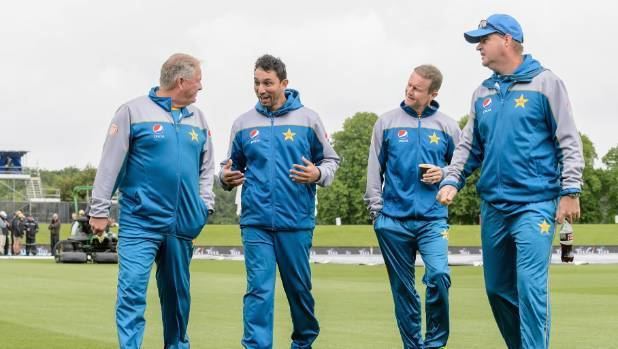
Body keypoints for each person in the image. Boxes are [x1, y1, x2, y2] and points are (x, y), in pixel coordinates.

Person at [436, 14, 584, 349]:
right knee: (497, 290)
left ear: (506, 40)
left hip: (535, 203)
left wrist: (570, 189)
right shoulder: (481, 93)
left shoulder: (546, 83)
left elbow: (568, 139)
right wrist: (452, 179)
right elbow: (469, 147)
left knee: (530, 287)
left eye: (483, 40)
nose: (479, 48)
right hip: (494, 207)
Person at [89, 53, 215, 349]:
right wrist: (99, 210)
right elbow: (110, 164)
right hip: (140, 222)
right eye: (198, 80)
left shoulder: (198, 117)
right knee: (132, 290)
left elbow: (206, 167)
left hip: (181, 224)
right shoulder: (132, 111)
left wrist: (204, 205)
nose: (201, 87)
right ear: (181, 81)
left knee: (177, 297)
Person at [220, 54, 340, 349]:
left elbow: (331, 161)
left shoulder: (308, 119)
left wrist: (317, 173)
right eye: (257, 83)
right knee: (259, 291)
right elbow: (230, 168)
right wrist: (224, 178)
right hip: (255, 222)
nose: (262, 89)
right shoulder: (242, 124)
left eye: (268, 83)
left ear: (284, 83)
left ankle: (303, 343)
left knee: (299, 290)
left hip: (296, 221)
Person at [364, 65, 460, 349]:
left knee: (439, 276)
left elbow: (460, 170)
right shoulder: (386, 123)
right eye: (409, 84)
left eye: (417, 88)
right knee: (404, 291)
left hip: (433, 220)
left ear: (433, 94)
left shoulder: (448, 126)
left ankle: (434, 344)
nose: (409, 91)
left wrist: (443, 174)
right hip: (393, 221)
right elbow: (374, 170)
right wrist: (377, 214)